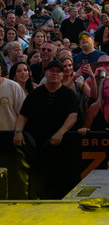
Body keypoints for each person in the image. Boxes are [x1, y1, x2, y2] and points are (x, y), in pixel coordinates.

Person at [13, 58, 79, 198]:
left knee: (61, 186)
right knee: (39, 186)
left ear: (63, 75)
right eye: (52, 71)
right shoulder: (35, 94)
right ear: (46, 73)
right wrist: (18, 131)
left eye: (58, 71)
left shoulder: (69, 94)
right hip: (38, 147)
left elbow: (73, 116)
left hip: (61, 148)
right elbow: (22, 115)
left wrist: (60, 132)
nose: (55, 74)